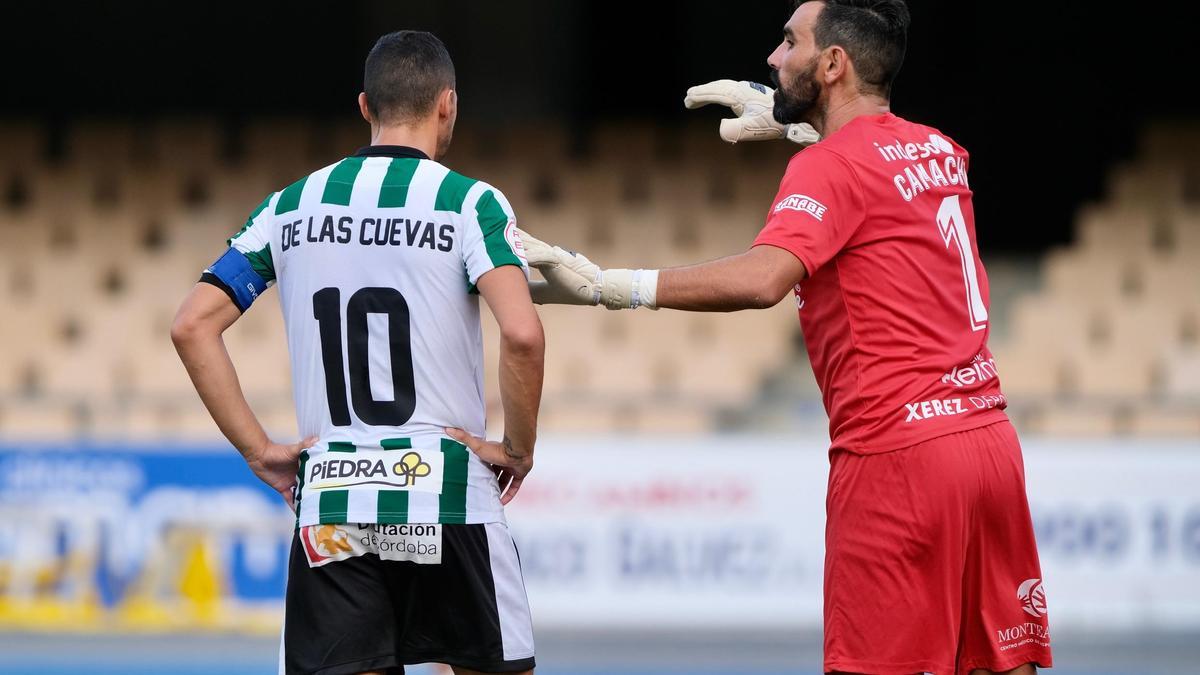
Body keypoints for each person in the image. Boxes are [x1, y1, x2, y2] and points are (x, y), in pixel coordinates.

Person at [519, 1, 1053, 673]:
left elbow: (766, 277)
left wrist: (610, 285)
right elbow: (885, 185)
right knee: (999, 664)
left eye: (789, 42)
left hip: (896, 457)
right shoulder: (944, 151)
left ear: (834, 65)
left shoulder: (829, 170)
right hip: (988, 444)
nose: (773, 59)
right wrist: (797, 128)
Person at [171, 30, 543, 675]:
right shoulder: (468, 202)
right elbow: (522, 334)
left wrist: (260, 450)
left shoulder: (288, 206)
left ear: (365, 107)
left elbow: (192, 326)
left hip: (334, 508)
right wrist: (517, 449)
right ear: (448, 105)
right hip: (443, 493)